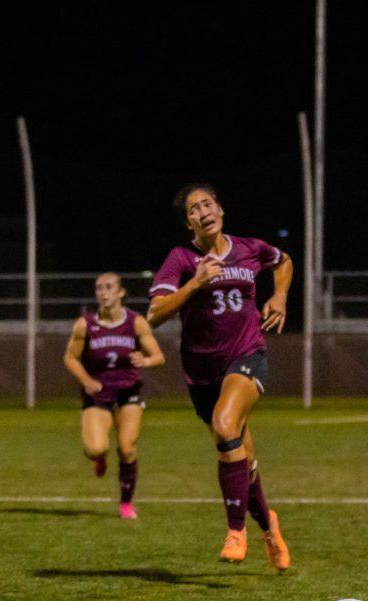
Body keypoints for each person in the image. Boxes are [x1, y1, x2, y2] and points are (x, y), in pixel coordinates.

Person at [146, 183, 293, 571]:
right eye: (194, 209)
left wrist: (278, 297)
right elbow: (155, 312)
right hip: (202, 373)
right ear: (188, 222)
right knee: (242, 456)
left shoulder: (249, 248)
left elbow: (284, 261)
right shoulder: (181, 258)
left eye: (207, 203)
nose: (202, 211)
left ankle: (235, 530)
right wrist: (195, 283)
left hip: (247, 355)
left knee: (226, 427)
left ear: (220, 209)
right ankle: (268, 528)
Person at [63, 272, 165, 519]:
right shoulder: (85, 325)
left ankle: (126, 503)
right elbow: (70, 357)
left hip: (128, 391)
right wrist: (86, 380)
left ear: (121, 292)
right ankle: (100, 459)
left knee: (127, 448)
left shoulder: (135, 322)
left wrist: (147, 359)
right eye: (99, 288)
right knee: (95, 448)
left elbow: (159, 356)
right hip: (98, 393)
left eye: (109, 287)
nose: (103, 292)